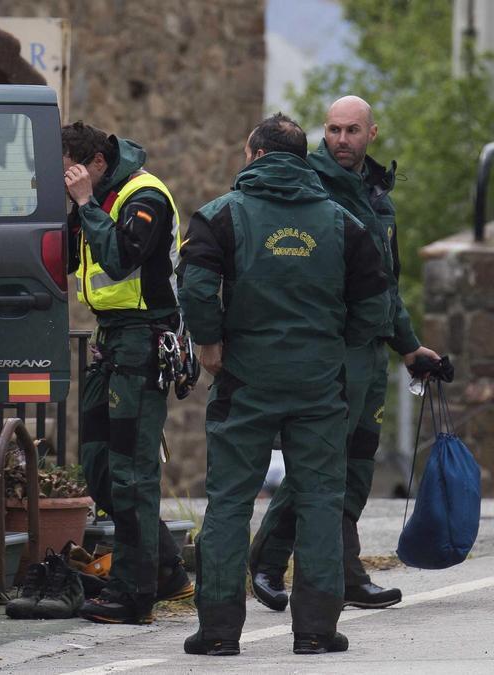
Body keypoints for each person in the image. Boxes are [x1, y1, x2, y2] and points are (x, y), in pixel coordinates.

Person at [178, 113, 389, 656]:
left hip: (243, 379)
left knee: (228, 502)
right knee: (320, 499)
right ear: (302, 159)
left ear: (253, 154)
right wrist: (336, 343)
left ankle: (220, 632)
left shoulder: (218, 217)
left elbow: (197, 286)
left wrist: (209, 343)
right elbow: (375, 305)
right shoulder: (344, 222)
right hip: (319, 382)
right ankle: (317, 630)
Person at [249, 96, 441, 612]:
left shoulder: (378, 194)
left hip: (370, 351)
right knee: (321, 466)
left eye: (352, 130)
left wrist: (407, 346)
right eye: (332, 129)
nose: (340, 140)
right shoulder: (309, 188)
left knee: (356, 467)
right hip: (330, 351)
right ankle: (267, 560)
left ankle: (347, 573)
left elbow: (384, 283)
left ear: (371, 133)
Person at [61, 121, 192, 625]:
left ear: (96, 163)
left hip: (143, 340)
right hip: (109, 339)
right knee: (98, 466)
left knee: (133, 474)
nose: (67, 179)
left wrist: (86, 204)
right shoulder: (96, 199)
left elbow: (118, 260)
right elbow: (74, 261)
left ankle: (134, 595)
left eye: (72, 169)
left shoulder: (145, 195)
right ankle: (167, 570)